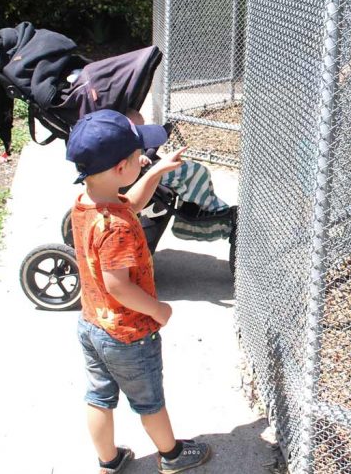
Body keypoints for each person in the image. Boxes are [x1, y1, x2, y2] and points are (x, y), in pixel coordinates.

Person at [66, 109, 212, 474]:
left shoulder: (88, 204)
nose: (143, 158)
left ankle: (109, 460)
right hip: (129, 334)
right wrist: (156, 309)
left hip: (92, 326)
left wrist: (156, 171)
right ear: (118, 169)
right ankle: (173, 455)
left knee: (98, 397)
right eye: (137, 158)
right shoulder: (115, 228)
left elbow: (132, 202)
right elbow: (119, 286)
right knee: (149, 402)